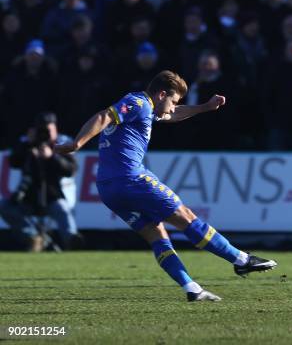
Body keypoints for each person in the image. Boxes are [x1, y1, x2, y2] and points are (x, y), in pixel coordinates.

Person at [55, 70, 277, 301]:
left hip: (108, 189)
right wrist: (76, 143)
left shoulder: (147, 108)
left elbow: (174, 114)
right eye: (173, 101)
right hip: (131, 179)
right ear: (162, 94)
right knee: (187, 218)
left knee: (156, 233)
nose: (173, 108)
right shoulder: (138, 102)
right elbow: (103, 116)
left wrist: (204, 107)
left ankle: (192, 288)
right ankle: (241, 260)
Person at [0, 112, 79, 251]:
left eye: (47, 130)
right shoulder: (27, 143)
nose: (43, 134)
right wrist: (27, 145)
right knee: (5, 206)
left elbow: (71, 170)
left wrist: (52, 157)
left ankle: (72, 240)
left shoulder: (62, 142)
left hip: (53, 196)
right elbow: (13, 162)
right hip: (28, 197)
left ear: (55, 128)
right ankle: (33, 237)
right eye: (40, 130)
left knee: (63, 210)